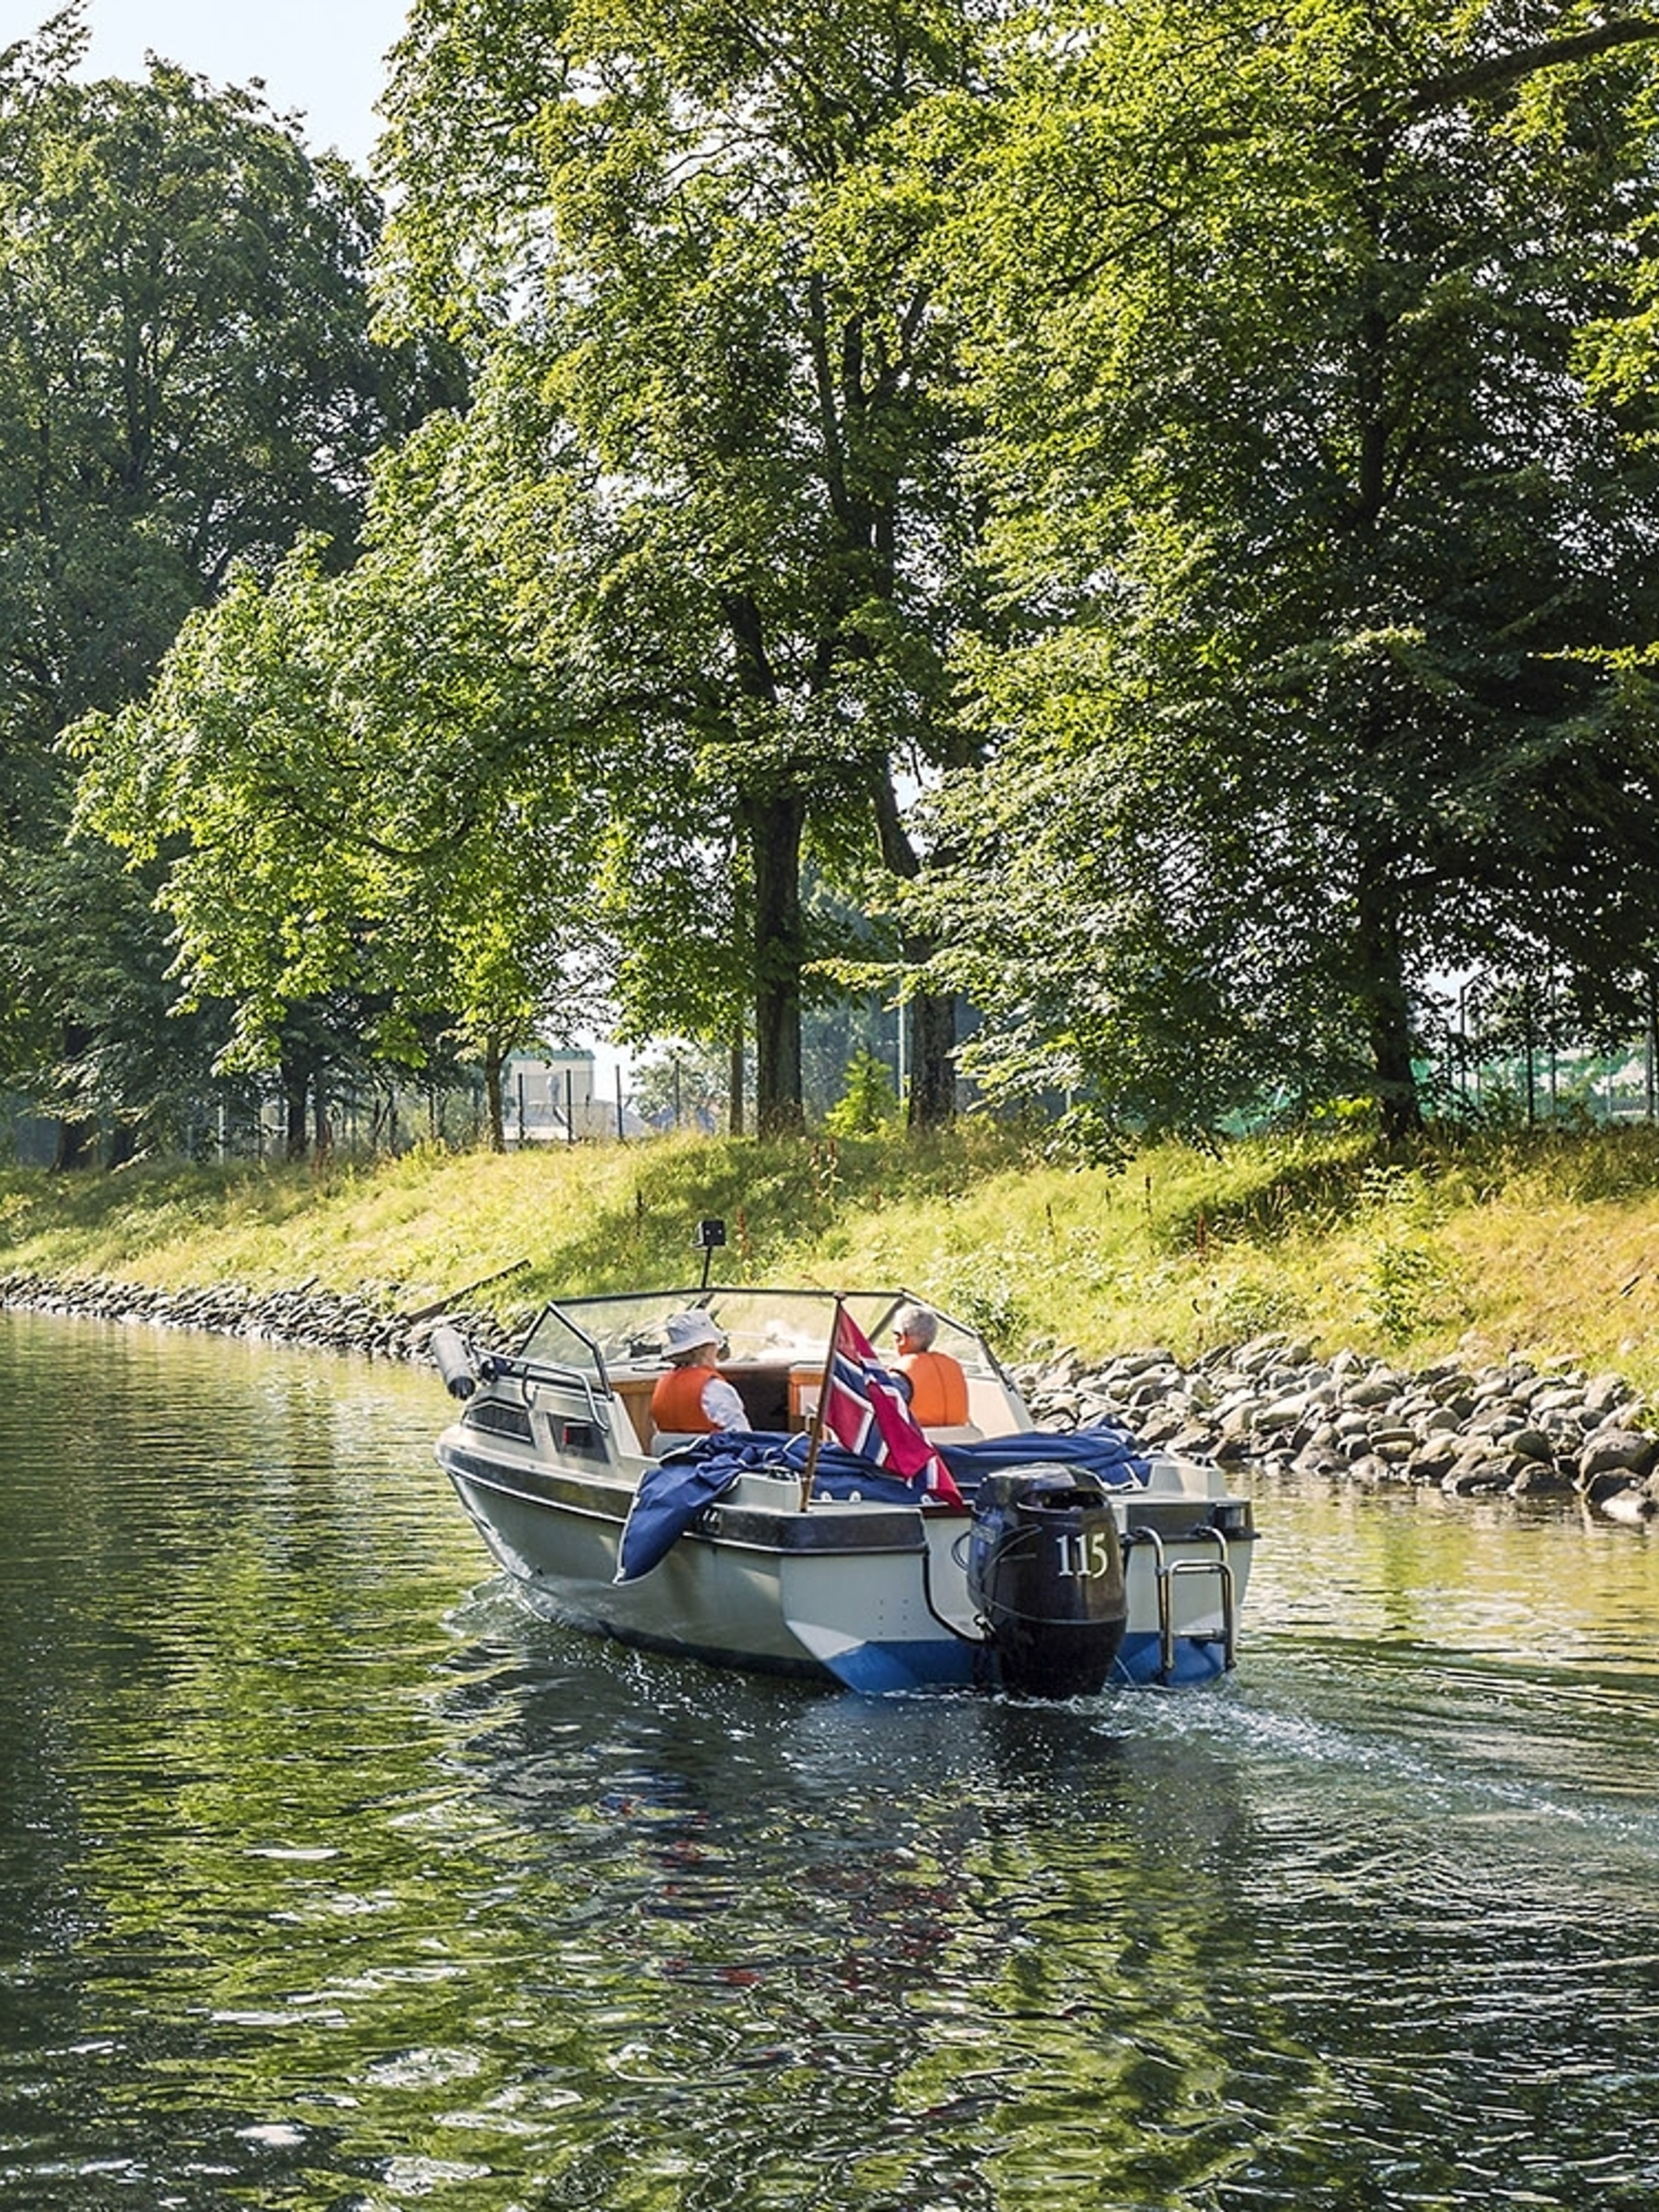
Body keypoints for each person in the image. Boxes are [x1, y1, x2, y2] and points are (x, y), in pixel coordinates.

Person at [649, 1310, 750, 1444]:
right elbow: (744, 1439)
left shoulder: (662, 1386)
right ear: (706, 1349)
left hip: (671, 1456)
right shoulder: (715, 1389)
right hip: (712, 1457)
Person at [891, 1304, 969, 1429]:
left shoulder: (902, 1375)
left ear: (902, 1338)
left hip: (918, 1440)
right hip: (963, 1439)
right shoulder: (954, 1366)